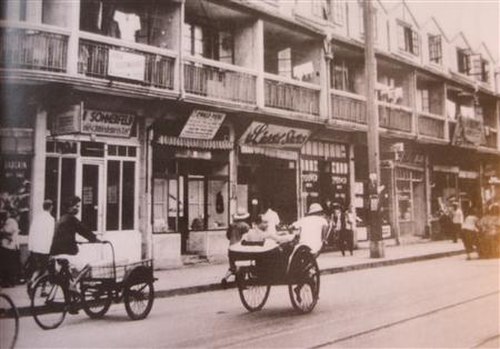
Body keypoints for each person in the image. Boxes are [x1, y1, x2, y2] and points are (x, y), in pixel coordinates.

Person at [50, 196, 99, 295]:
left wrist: (74, 241)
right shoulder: (71, 219)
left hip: (56, 251)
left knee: (70, 273)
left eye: (78, 206)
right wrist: (95, 239)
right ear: (69, 207)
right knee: (86, 266)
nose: (77, 208)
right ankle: (74, 286)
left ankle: (70, 298)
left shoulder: (62, 218)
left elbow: (64, 235)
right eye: (75, 206)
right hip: (66, 252)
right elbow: (83, 230)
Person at [27, 199, 55, 283]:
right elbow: (51, 234)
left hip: (35, 248)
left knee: (38, 268)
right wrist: (51, 248)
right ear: (51, 207)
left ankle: (32, 280)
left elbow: (32, 232)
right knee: (45, 269)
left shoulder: (37, 218)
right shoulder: (50, 219)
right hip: (45, 248)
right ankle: (43, 289)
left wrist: (30, 246)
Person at [221, 208, 251, 285]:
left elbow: (228, 236)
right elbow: (247, 237)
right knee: (243, 264)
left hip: (231, 248)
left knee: (232, 266)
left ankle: (225, 278)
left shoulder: (231, 225)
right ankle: (241, 283)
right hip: (240, 247)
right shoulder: (245, 226)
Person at [0, 207, 20, 287]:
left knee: (7, 266)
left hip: (8, 246)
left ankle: (7, 282)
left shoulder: (9, 221)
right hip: (10, 246)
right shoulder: (13, 221)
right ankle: (9, 282)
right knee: (9, 266)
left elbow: (5, 231)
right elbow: (8, 232)